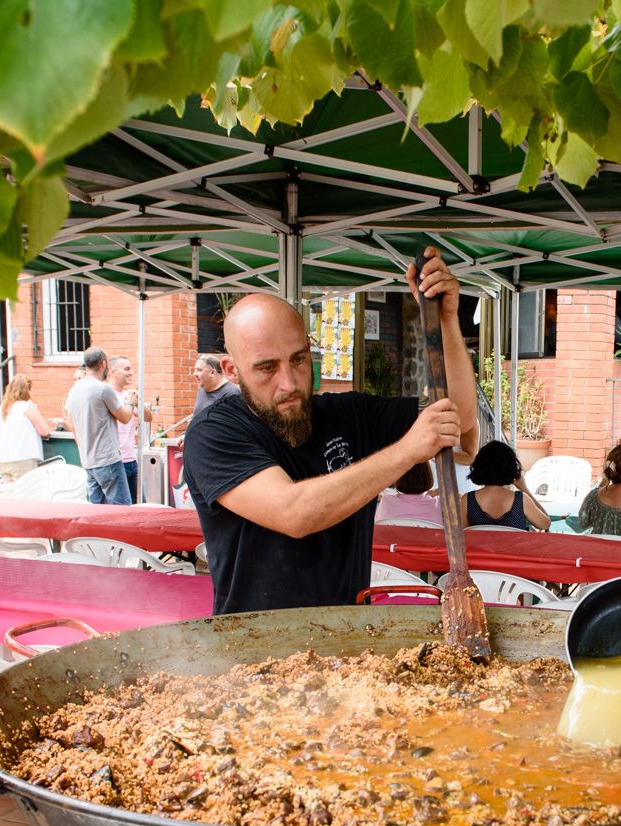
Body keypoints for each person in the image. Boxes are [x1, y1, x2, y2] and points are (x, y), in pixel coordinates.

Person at [182, 247, 478, 615]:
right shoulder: (214, 432)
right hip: (254, 646)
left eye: (299, 359)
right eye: (266, 368)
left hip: (346, 643)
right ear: (231, 369)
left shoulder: (349, 414)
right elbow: (293, 514)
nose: (288, 382)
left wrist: (447, 322)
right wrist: (408, 450)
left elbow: (460, 415)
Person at [64, 347, 134, 505]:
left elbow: (72, 422)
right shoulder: (103, 389)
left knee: (98, 514)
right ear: (103, 363)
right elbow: (124, 417)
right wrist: (131, 401)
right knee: (122, 511)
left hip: (88, 461)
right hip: (108, 459)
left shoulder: (74, 389)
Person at [461, 441, 551, 532]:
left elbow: (463, 533)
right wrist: (524, 489)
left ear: (478, 467)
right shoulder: (521, 500)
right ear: (511, 468)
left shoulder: (467, 500)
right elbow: (545, 524)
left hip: (479, 546)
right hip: (516, 546)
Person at [0, 375, 59, 481]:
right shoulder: (27, 407)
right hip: (23, 458)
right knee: (26, 494)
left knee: (8, 494)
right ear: (28, 390)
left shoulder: (2, 409)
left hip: (3, 459)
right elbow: (44, 431)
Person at [109, 356, 155, 501]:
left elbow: (148, 417)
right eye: (127, 369)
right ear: (113, 372)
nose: (131, 373)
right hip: (115, 462)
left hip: (131, 460)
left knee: (139, 505)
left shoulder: (127, 395)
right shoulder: (108, 395)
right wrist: (130, 404)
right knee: (122, 508)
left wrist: (138, 400)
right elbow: (124, 417)